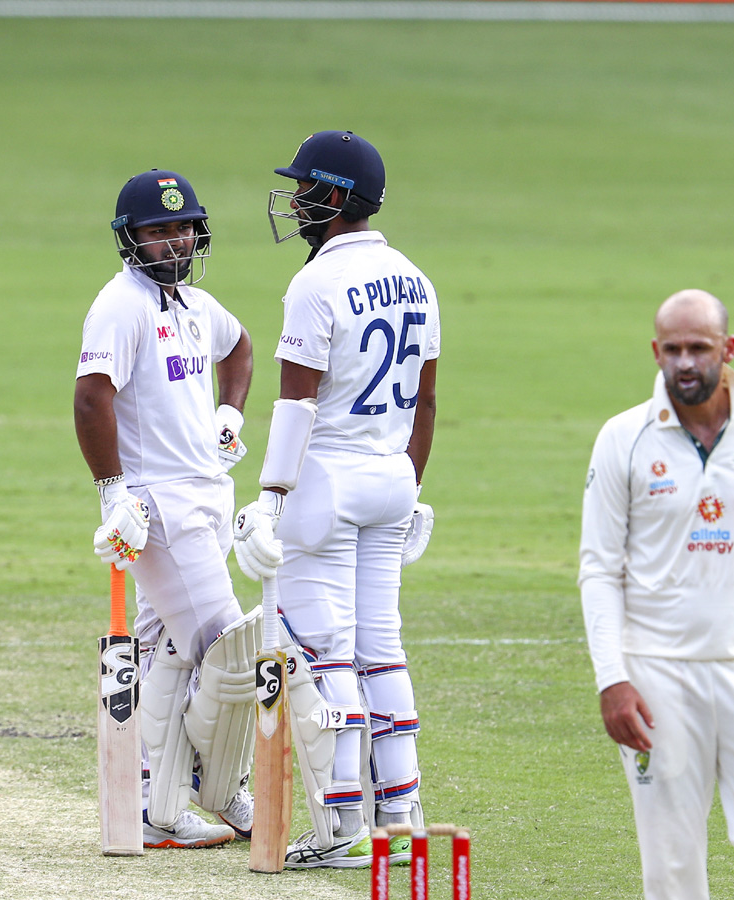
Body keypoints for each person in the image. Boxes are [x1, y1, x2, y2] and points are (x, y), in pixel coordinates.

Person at [579, 289, 734, 900]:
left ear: (729, 349)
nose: (686, 363)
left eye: (699, 348)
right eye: (672, 350)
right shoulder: (624, 438)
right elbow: (597, 568)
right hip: (656, 674)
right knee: (672, 873)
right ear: (655, 351)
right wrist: (611, 679)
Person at [233, 131, 441, 869]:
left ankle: (342, 829)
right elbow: (426, 404)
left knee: (324, 655)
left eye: (305, 190)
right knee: (381, 647)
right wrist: (410, 489)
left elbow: (296, 406)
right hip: (391, 475)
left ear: (338, 198)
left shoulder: (316, 283)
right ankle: (404, 812)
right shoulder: (417, 278)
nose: (293, 201)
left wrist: (269, 499)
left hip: (328, 479)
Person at [74, 169, 257, 849]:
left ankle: (157, 804)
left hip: (206, 495)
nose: (174, 240)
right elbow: (92, 396)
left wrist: (230, 412)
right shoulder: (119, 306)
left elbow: (239, 347)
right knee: (229, 651)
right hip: (161, 508)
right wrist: (114, 493)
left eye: (182, 227)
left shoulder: (195, 305)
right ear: (131, 240)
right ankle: (225, 788)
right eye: (158, 230)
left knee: (163, 657)